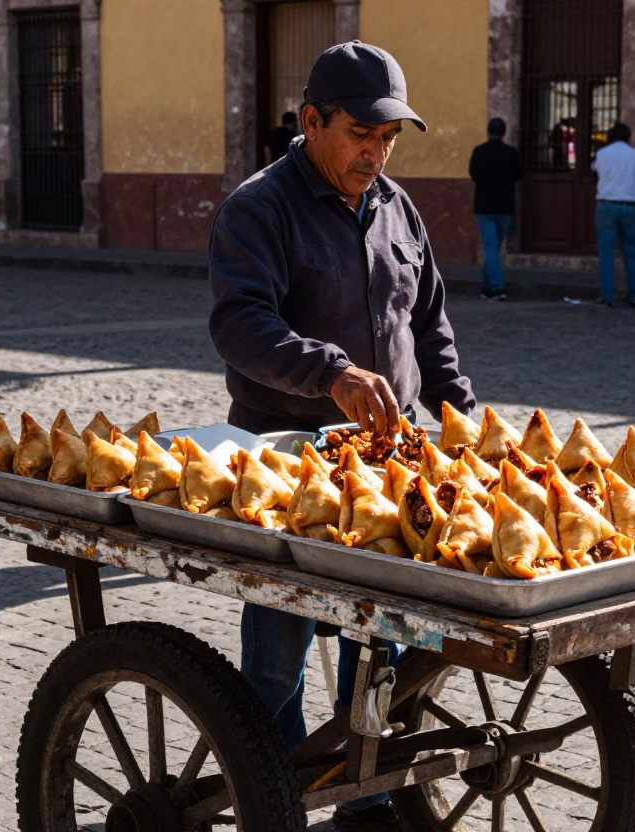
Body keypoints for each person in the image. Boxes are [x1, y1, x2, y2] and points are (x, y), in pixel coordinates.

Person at [209, 40, 475, 832]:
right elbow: (238, 323)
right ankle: (276, 789)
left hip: (385, 469)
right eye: (363, 134)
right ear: (311, 121)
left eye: (390, 138)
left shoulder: (397, 206)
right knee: (279, 651)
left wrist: (459, 411)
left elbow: (430, 323)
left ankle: (367, 794)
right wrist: (332, 374)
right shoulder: (259, 207)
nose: (377, 151)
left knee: (379, 639)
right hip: (286, 466)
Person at [591, 122, 635, 307]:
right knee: (630, 251)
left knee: (606, 252)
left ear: (610, 137)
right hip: (630, 205)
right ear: (628, 137)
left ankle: (608, 297)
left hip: (607, 204)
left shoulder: (602, 154)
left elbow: (596, 172)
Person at [468, 117, 521, 301]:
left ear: (489, 132)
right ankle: (490, 287)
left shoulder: (479, 151)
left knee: (491, 248)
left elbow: (473, 174)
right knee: (494, 248)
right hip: (504, 207)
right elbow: (517, 176)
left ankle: (494, 288)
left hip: (484, 206)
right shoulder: (512, 153)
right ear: (504, 133)